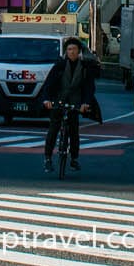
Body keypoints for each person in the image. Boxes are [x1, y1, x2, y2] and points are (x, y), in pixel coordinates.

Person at [41, 37, 95, 174]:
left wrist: (86, 103)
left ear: (79, 51)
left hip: (75, 102)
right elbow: (48, 83)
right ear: (66, 51)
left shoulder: (84, 67)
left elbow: (89, 87)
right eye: (69, 49)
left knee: (74, 131)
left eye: (74, 49)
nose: (72, 52)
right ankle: (48, 158)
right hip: (58, 99)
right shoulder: (59, 65)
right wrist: (47, 99)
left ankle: (74, 159)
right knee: (53, 128)